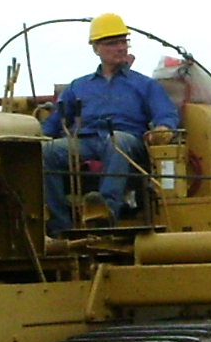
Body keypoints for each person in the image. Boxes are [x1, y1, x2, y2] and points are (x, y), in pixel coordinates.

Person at [41, 13, 179, 231]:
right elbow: (53, 123)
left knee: (117, 142)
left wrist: (163, 128)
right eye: (112, 43)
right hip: (85, 141)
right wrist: (33, 137)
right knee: (45, 151)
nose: (121, 47)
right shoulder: (78, 86)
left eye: (123, 41)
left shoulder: (144, 85)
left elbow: (166, 114)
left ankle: (105, 214)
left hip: (129, 143)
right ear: (96, 48)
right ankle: (59, 226)